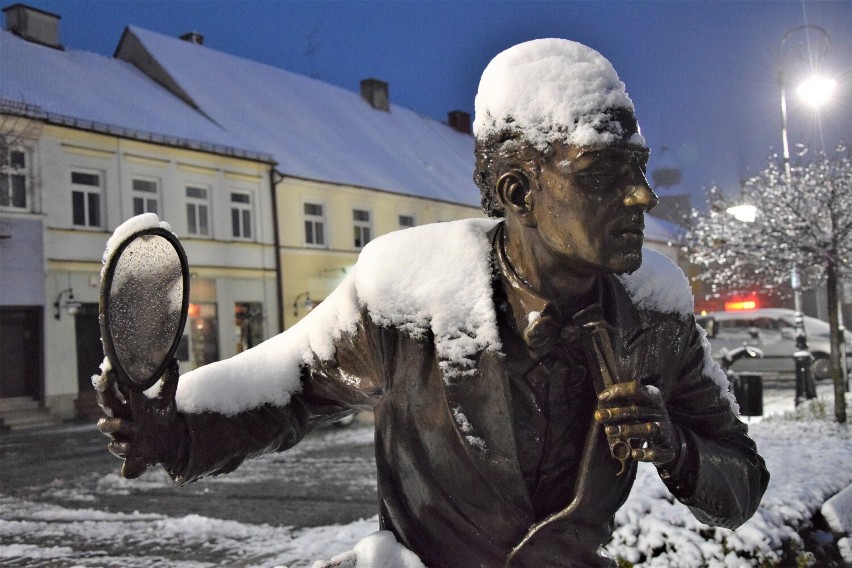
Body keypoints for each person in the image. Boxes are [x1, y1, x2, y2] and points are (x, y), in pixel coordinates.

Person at [97, 38, 769, 567]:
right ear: (516, 192)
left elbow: (741, 478)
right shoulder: (407, 290)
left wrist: (678, 451)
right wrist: (173, 429)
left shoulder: (657, 314)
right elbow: (289, 387)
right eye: (604, 174)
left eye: (641, 169)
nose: (643, 197)